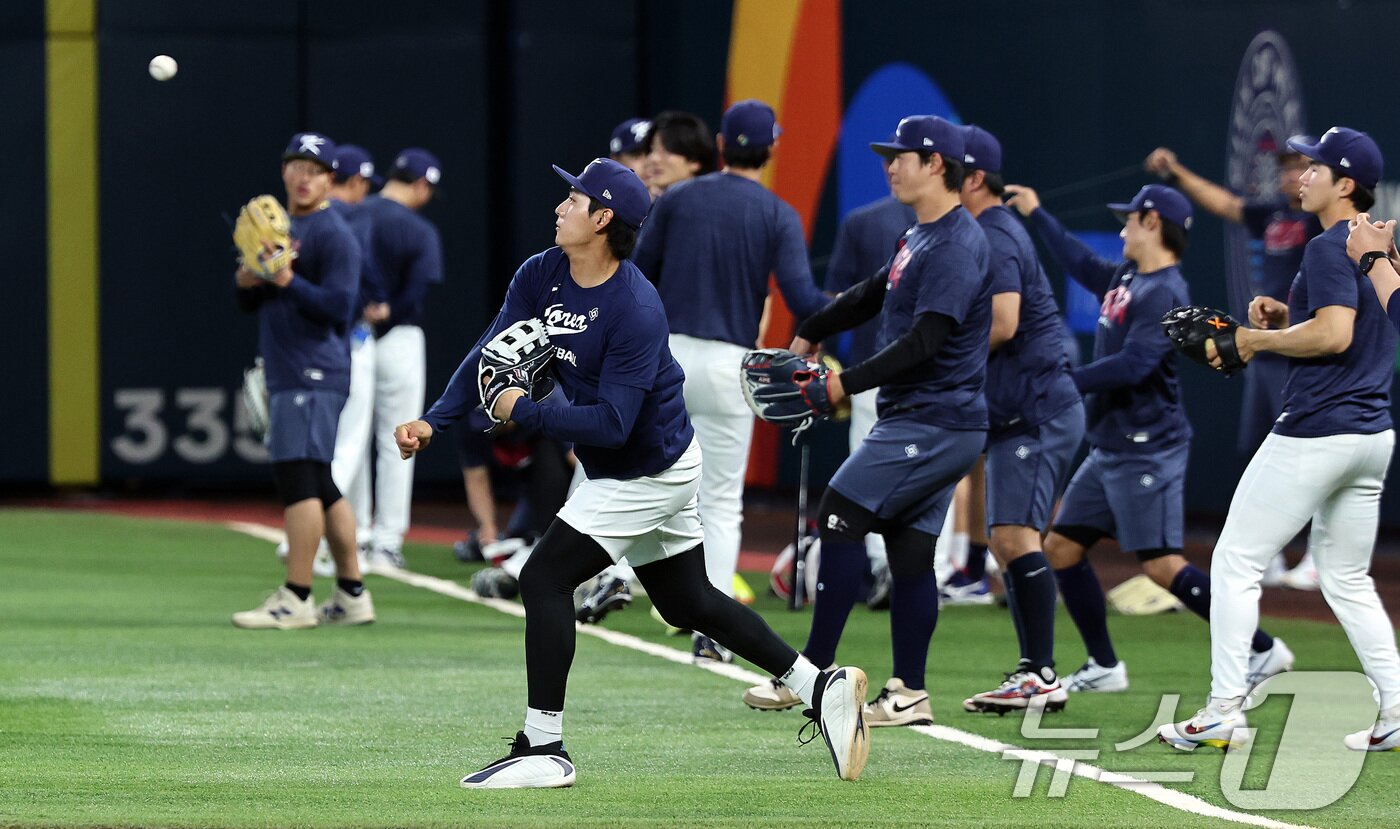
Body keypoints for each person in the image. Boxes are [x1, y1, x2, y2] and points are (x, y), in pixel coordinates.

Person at [393, 158, 869, 787]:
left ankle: (543, 746)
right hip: (643, 465)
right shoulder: (543, 272)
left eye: (574, 197)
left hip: (647, 471)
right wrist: (436, 420)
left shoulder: (636, 308)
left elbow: (614, 425)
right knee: (686, 601)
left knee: (542, 577)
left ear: (603, 217)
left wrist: (526, 410)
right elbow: (492, 346)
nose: (561, 206)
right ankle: (820, 685)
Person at [742, 116, 991, 727]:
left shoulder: (958, 243)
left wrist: (843, 382)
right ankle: (909, 692)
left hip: (935, 420)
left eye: (902, 155)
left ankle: (812, 678)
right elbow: (871, 293)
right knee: (910, 553)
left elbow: (928, 340)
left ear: (938, 165)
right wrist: (812, 330)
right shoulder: (921, 234)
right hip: (929, 418)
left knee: (838, 510)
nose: (890, 164)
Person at [1160, 128, 1400, 752]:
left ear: (1344, 184)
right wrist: (1284, 320)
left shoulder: (1326, 247)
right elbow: (1351, 329)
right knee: (1347, 579)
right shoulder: (1380, 245)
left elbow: (1335, 338)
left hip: (1319, 429)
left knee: (1234, 562)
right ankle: (1396, 709)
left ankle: (1220, 712)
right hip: (1372, 434)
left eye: (1315, 165)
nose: (1300, 173)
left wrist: (1254, 339)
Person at [1004, 181, 1291, 695]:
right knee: (1063, 548)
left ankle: (1263, 648)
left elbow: (1136, 365)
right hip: (1111, 444)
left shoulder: (1167, 291)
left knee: (1161, 566)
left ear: (1153, 223)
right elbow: (1080, 263)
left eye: (1131, 219)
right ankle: (1104, 666)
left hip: (1148, 448)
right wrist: (1038, 211)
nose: (1123, 227)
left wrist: (1066, 383)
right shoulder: (1129, 276)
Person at [627, 99, 830, 662]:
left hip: (665, 356)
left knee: (634, 475)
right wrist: (860, 303)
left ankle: (607, 577)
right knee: (718, 501)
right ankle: (710, 631)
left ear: (719, 146)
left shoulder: (680, 199)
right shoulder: (777, 213)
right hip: (731, 366)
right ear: (771, 150)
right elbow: (806, 302)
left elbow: (638, 278)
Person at [1145, 140, 1323, 590]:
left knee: (1311, 454)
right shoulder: (1274, 216)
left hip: (1302, 347)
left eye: (1300, 167)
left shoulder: (1322, 221)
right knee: (1264, 452)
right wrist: (1176, 172)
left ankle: (1322, 555)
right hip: (1268, 350)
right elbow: (1224, 202)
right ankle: (1275, 553)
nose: (1290, 176)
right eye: (1285, 168)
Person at [955, 126, 1085, 714]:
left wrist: (939, 356)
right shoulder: (981, 230)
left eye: (942, 166)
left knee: (1013, 537)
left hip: (1037, 409)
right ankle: (1035, 673)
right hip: (1019, 409)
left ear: (974, 178)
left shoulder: (995, 232)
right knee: (1008, 541)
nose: (932, 173)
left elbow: (1004, 321)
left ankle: (1042, 674)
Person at [231, 132, 374, 629]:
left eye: (314, 170)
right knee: (320, 481)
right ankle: (353, 594)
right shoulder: (281, 227)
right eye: (296, 165)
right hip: (293, 367)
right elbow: (252, 301)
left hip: (314, 368)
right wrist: (250, 279)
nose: (303, 176)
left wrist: (287, 278)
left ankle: (296, 597)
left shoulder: (334, 233)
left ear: (330, 180)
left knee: (298, 478)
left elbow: (340, 307)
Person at [822, 144, 916, 611]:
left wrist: (815, 341)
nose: (891, 166)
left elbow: (838, 297)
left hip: (875, 369)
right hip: (910, 372)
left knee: (868, 468)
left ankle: (882, 563)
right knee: (926, 472)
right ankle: (927, 568)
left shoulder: (863, 221)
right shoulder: (958, 227)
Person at [355, 149, 446, 570]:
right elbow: (417, 290)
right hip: (400, 337)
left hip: (353, 334)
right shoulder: (419, 229)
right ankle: (387, 542)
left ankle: (352, 536)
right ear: (422, 185)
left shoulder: (354, 213)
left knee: (351, 440)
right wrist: (389, 310)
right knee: (400, 441)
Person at [641, 110, 717, 197]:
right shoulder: (646, 205)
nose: (654, 158)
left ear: (694, 160)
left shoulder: (714, 205)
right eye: (652, 150)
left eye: (667, 150)